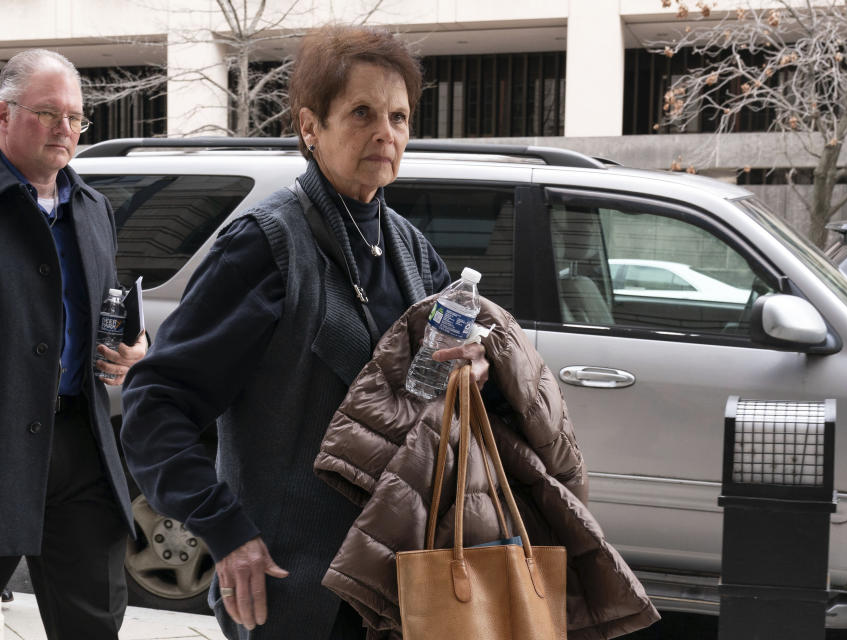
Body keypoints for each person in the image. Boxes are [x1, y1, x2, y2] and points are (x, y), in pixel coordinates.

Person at [120, 24, 487, 640]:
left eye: (399, 116)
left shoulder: (410, 248)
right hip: (296, 590)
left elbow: (429, 391)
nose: (385, 133)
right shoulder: (264, 246)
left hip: (401, 579)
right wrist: (226, 532)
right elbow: (155, 407)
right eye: (363, 112)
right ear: (310, 127)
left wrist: (470, 371)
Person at [0, 49, 147, 639]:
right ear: (3, 115)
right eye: (48, 114)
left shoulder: (92, 209)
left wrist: (135, 348)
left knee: (93, 621)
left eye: (76, 118)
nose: (66, 130)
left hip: (81, 445)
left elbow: (108, 305)